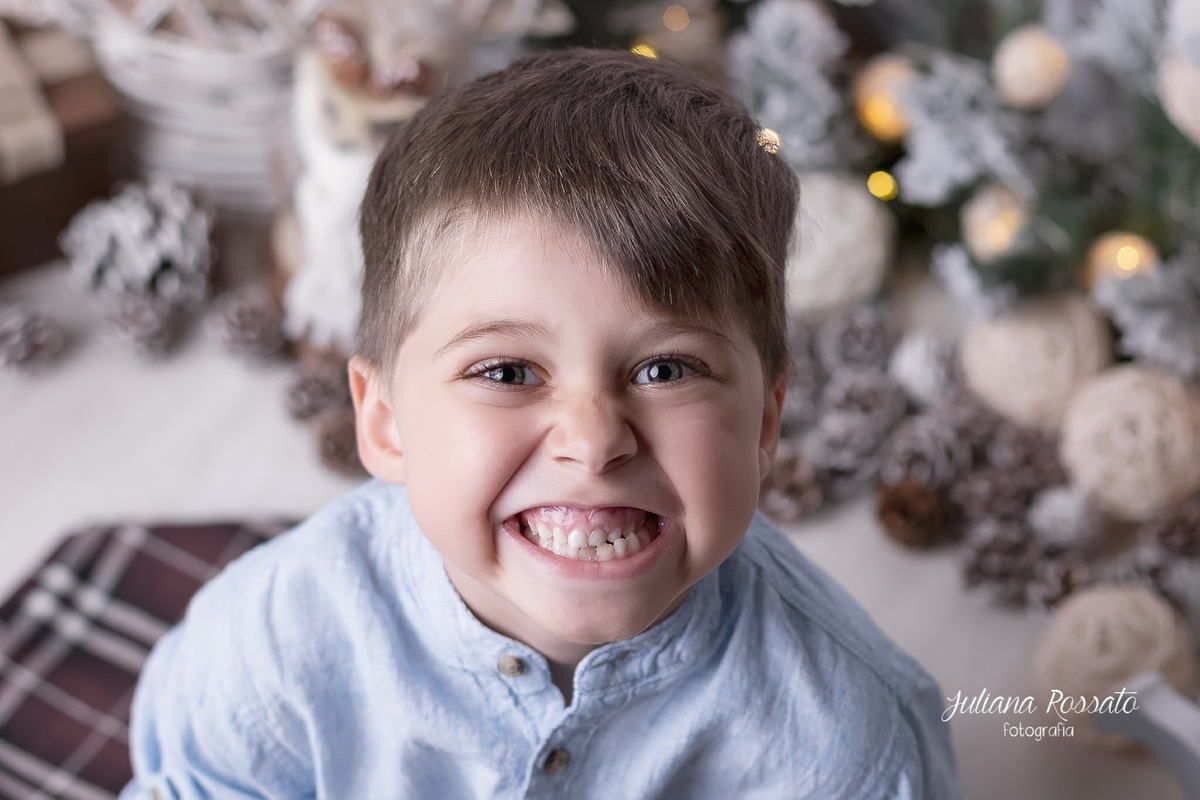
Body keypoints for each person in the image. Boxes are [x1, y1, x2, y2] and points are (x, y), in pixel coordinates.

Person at [122, 48, 961, 798]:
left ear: (766, 422)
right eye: (507, 372)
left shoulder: (845, 746)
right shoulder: (272, 640)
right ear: (384, 422)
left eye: (666, 370)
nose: (593, 441)